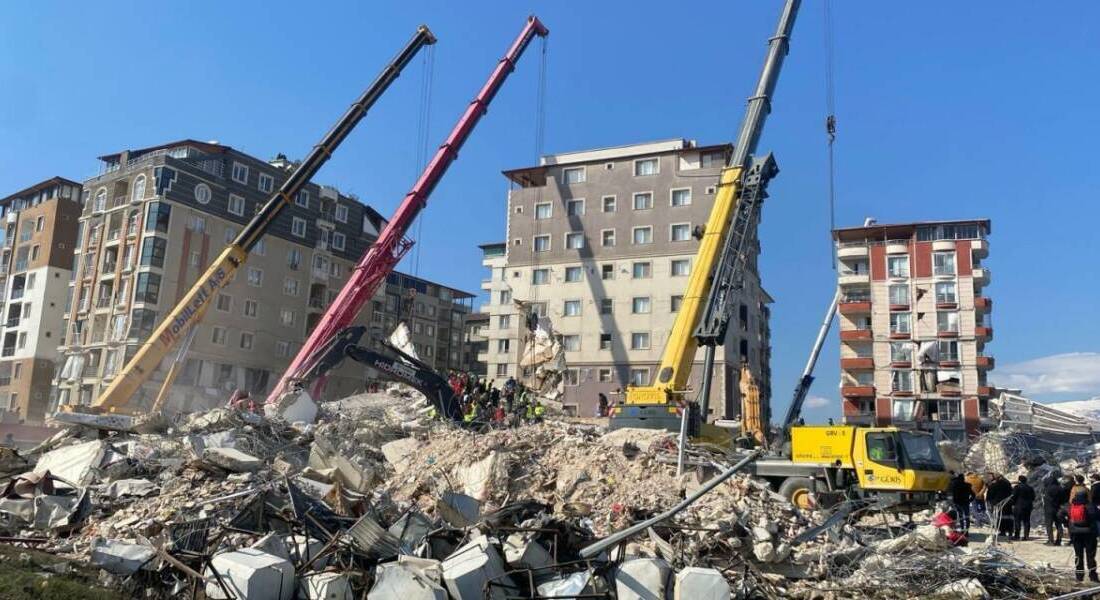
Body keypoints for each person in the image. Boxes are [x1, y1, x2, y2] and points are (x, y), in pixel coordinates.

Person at [1062, 490, 1100, 582]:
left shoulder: (1071, 506)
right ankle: (1093, 576)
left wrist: (1067, 524)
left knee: (1078, 555)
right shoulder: (1090, 506)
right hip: (1089, 534)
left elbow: (1059, 514)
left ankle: (1079, 576)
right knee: (1090, 556)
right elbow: (1098, 516)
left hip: (1075, 534)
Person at [985, 472, 1014, 538]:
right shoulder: (1007, 483)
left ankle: (1002, 531)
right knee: (1009, 517)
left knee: (1000, 517)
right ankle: (1010, 531)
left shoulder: (997, 484)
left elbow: (991, 492)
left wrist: (989, 500)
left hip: (999, 503)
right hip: (1008, 502)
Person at [1045, 472, 1069, 546]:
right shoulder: (1060, 488)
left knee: (1049, 524)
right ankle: (1059, 540)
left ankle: (1051, 540)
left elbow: (1046, 498)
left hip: (1049, 508)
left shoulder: (1048, 489)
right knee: (1058, 524)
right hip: (1058, 508)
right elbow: (1064, 499)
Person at [1011, 475, 1035, 540]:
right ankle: (1026, 536)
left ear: (1019, 480)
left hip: (1019, 506)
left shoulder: (1017, 487)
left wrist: (1012, 504)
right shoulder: (1030, 488)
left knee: (1017, 521)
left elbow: (1013, 497)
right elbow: (1033, 497)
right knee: (1027, 521)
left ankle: (1017, 535)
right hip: (1028, 507)